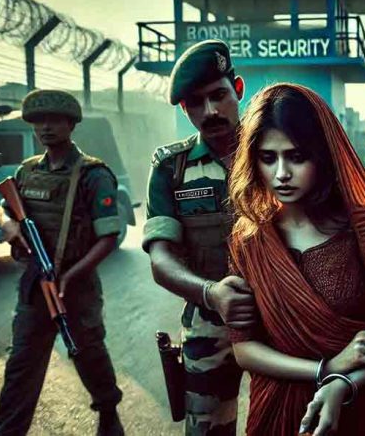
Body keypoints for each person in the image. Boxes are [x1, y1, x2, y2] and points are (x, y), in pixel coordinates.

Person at [227, 83, 365, 436]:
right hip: (276, 413)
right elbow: (244, 348)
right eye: (268, 158)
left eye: (297, 157)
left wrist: (346, 382)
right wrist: (327, 370)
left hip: (362, 407)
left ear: (322, 155)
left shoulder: (364, 230)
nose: (282, 173)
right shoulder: (250, 238)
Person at [0, 90, 124, 435]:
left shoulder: (93, 175)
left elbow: (109, 236)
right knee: (20, 367)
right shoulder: (27, 171)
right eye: (38, 122)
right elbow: (5, 205)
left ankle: (108, 413)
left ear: (71, 124)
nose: (45, 127)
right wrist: (8, 225)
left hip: (76, 288)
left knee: (88, 355)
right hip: (35, 286)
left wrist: (73, 275)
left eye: (54, 120)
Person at [143, 40, 256, 435]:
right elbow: (161, 260)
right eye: (196, 103)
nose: (209, 111)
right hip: (209, 328)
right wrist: (212, 294)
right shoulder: (170, 169)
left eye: (218, 96)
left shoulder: (275, 154)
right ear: (183, 108)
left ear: (237, 90)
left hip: (282, 321)